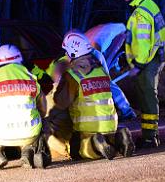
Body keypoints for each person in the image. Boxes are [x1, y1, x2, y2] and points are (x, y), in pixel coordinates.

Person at [49, 31, 135, 160]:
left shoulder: (73, 74)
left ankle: (94, 143)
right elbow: (112, 90)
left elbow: (61, 102)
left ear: (73, 53)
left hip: (89, 128)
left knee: (79, 150)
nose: (65, 55)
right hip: (111, 125)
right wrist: (126, 108)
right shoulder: (101, 71)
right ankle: (120, 137)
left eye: (66, 52)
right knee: (110, 144)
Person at [117, 0, 165, 148]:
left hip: (149, 60)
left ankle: (150, 137)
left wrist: (138, 65)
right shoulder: (148, 5)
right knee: (146, 95)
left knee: (147, 95)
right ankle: (150, 135)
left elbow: (142, 42)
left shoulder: (141, 13)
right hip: (155, 57)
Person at [0, 44, 49, 171]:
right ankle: (28, 149)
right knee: (40, 120)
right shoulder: (30, 77)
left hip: (0, 135)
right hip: (30, 133)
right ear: (19, 59)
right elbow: (43, 108)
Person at [84, 23, 136, 119]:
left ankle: (126, 110)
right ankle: (125, 110)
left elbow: (112, 49)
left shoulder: (102, 32)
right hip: (93, 51)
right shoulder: (118, 30)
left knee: (103, 81)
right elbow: (114, 48)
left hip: (91, 52)